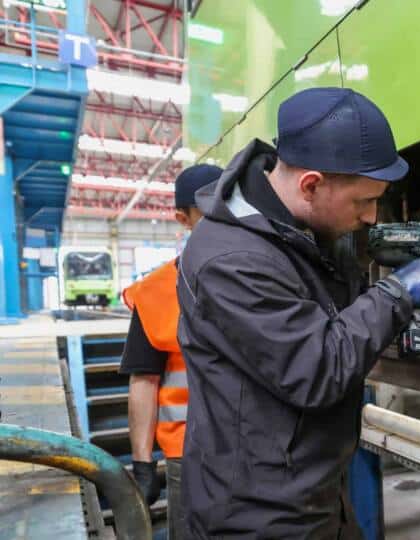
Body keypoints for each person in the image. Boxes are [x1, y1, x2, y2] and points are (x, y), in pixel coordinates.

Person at [176, 87, 420, 539]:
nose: (373, 217)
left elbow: (354, 318)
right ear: (311, 184)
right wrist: (399, 290)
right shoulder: (231, 259)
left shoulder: (298, 232)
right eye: (363, 202)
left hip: (310, 490)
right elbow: (318, 368)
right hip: (255, 515)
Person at [118, 164, 223, 540]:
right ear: (183, 218)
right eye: (211, 211)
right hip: (188, 454)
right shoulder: (155, 293)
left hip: (260, 447)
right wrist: (143, 463)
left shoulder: (264, 274)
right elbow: (144, 381)